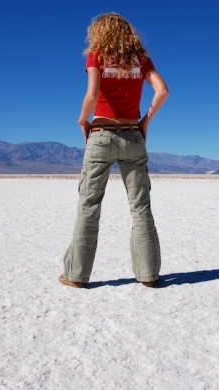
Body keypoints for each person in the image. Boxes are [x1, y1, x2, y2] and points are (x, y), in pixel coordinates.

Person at [59, 13, 169, 288]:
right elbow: (162, 91)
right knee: (141, 207)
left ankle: (75, 276)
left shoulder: (96, 55)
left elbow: (92, 96)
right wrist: (145, 122)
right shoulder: (140, 59)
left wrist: (82, 120)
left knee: (89, 205)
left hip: (101, 136)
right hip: (133, 137)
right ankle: (149, 274)